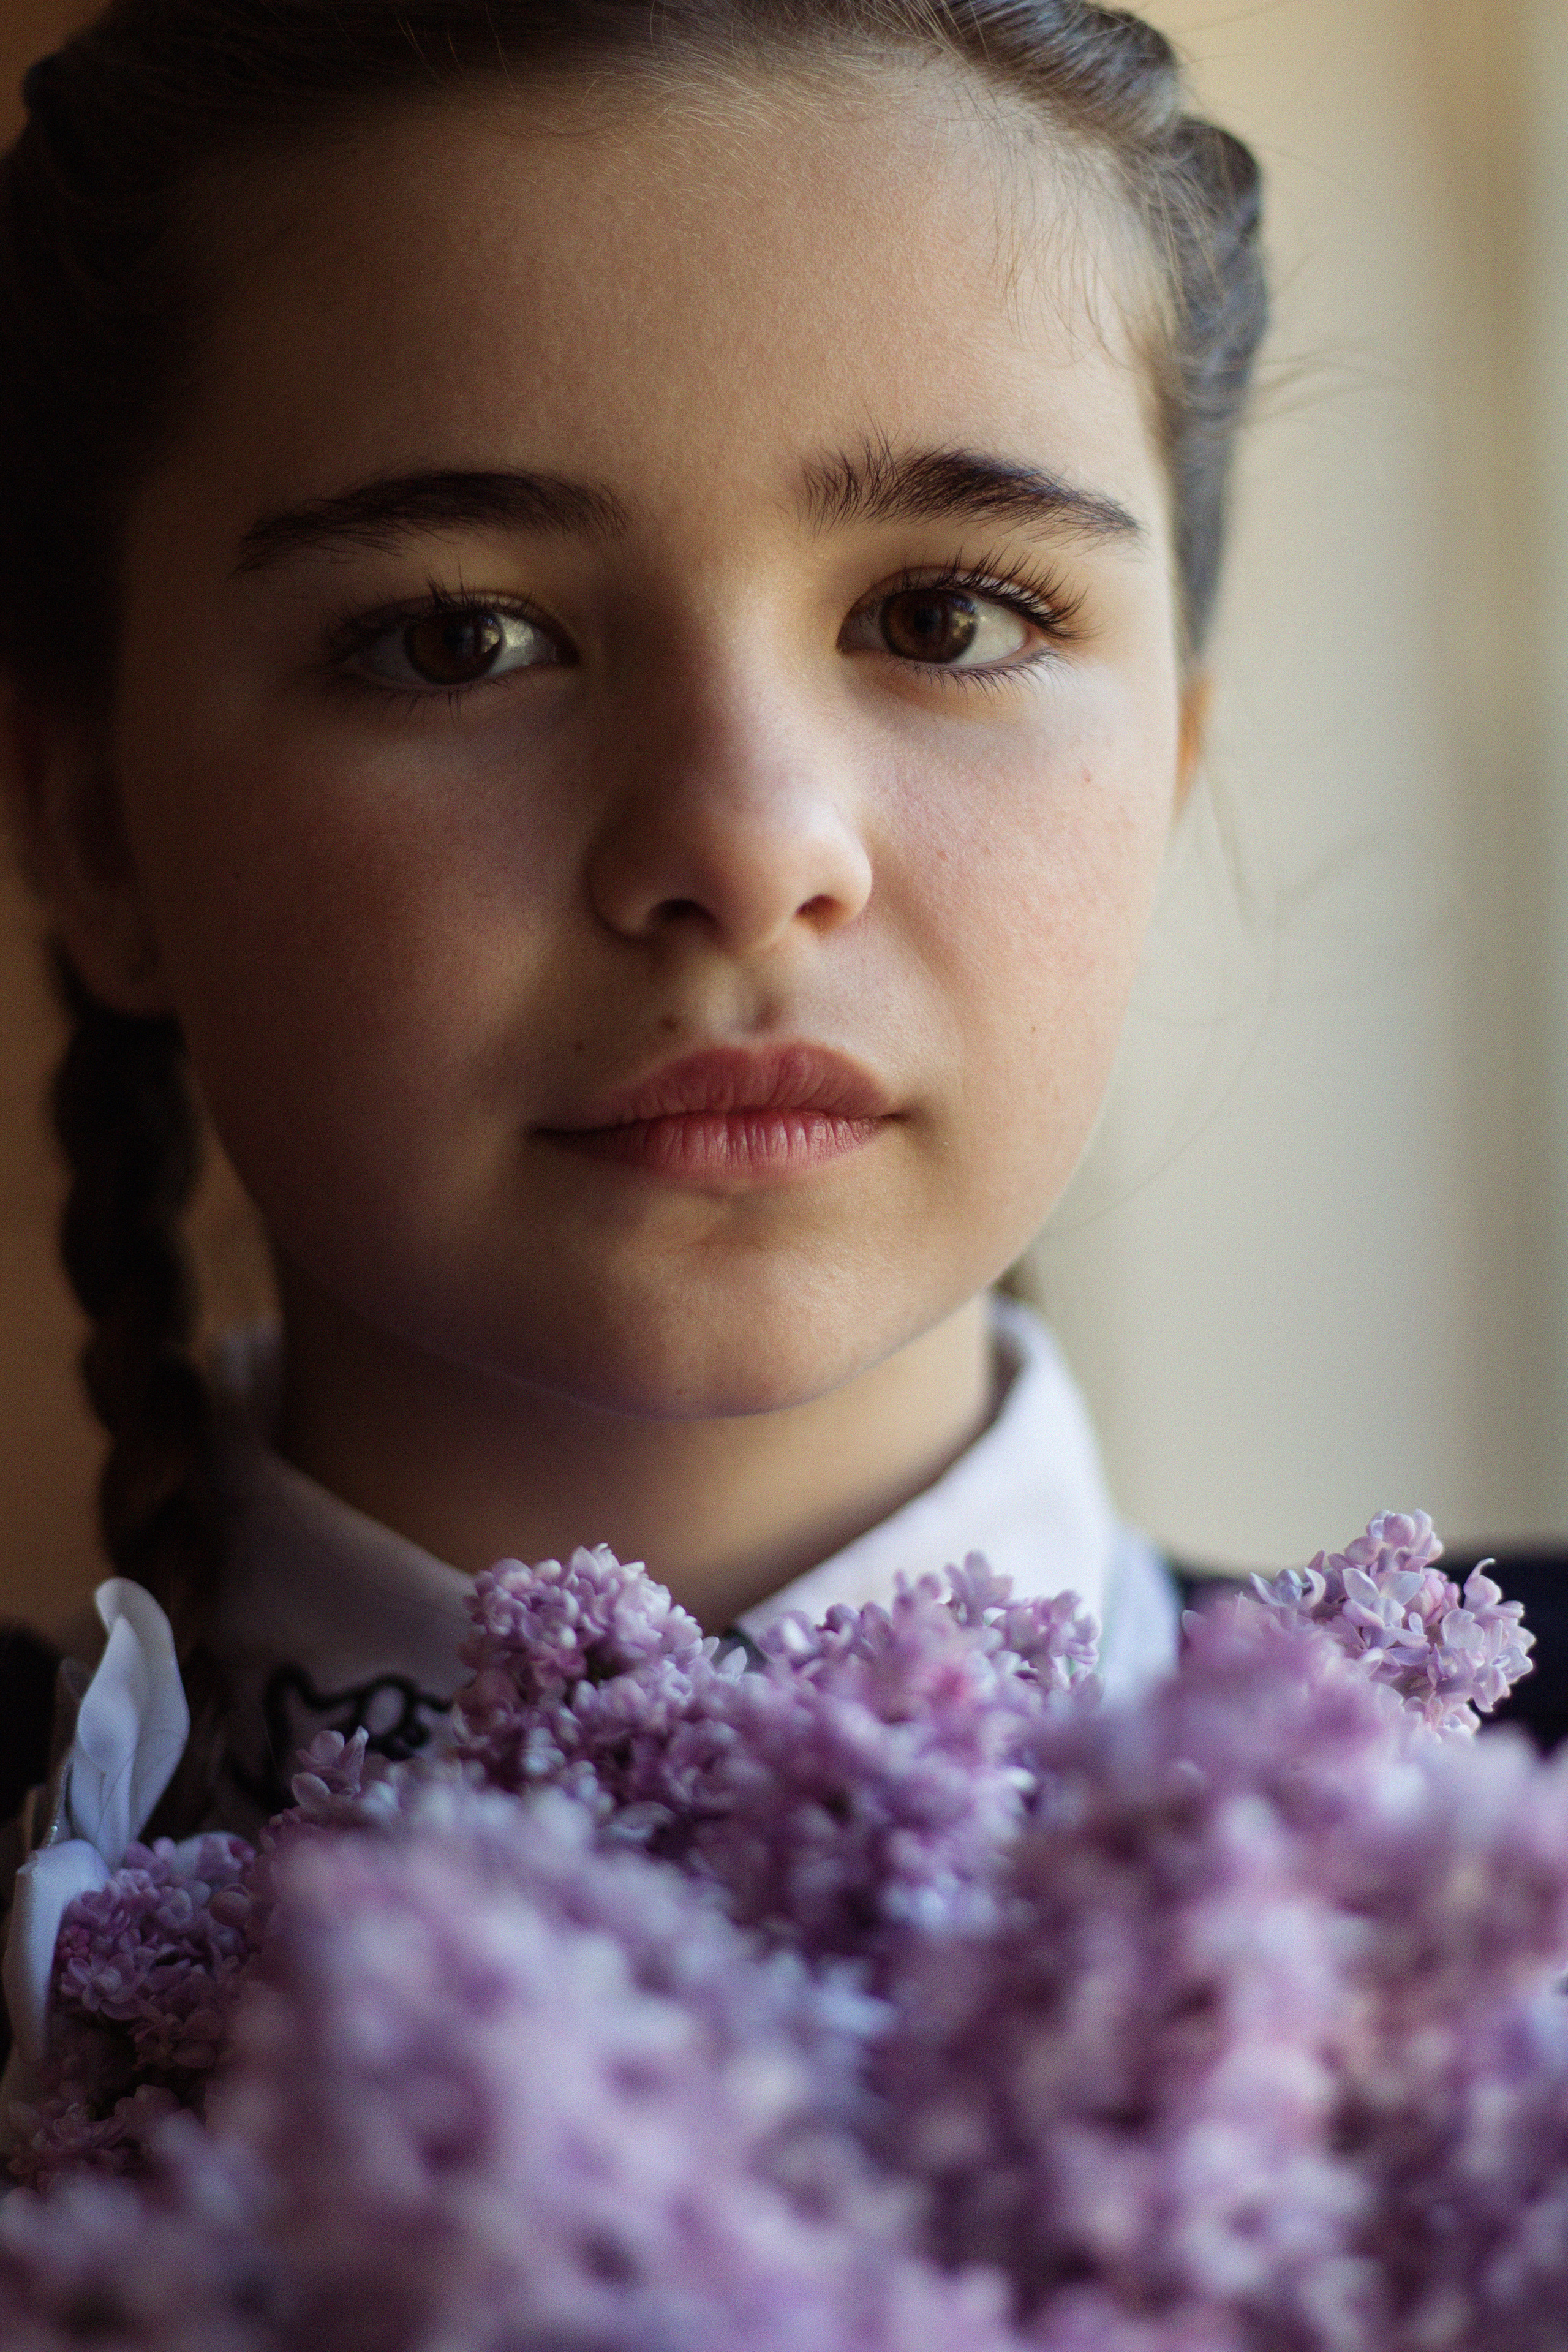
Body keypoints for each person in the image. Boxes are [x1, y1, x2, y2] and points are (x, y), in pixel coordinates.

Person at [0, 0, 1267, 2047]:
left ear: (1177, 764)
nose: (750, 848)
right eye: (457, 639)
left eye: (943, 618)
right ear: (90, 825)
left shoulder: (1500, 1852)